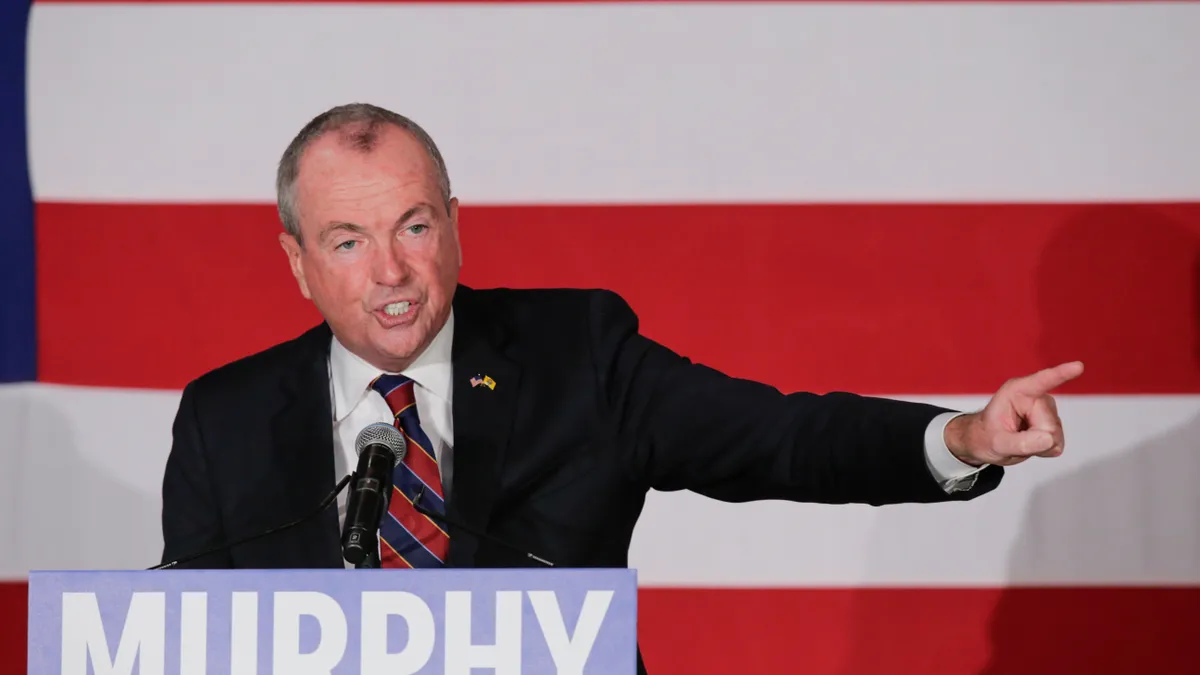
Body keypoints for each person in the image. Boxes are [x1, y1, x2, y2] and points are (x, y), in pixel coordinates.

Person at [159, 102, 1082, 671]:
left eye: (414, 225)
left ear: (454, 223)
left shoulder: (578, 354)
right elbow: (192, 645)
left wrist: (960, 438)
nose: (393, 271)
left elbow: (778, 437)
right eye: (349, 241)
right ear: (298, 262)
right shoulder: (224, 418)